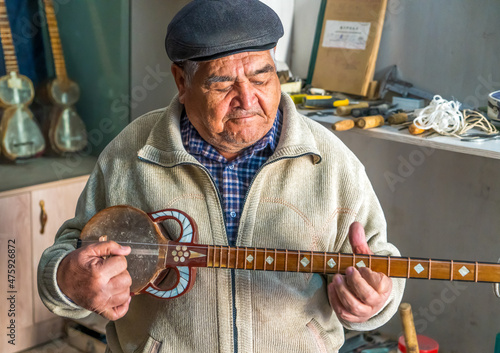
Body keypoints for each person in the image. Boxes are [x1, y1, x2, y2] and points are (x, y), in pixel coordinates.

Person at [38, 1, 405, 352]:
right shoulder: (130, 155)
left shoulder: (331, 161)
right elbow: (72, 248)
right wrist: (66, 279)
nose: (247, 99)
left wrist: (373, 302)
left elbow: (379, 262)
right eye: (222, 84)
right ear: (181, 81)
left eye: (262, 77)